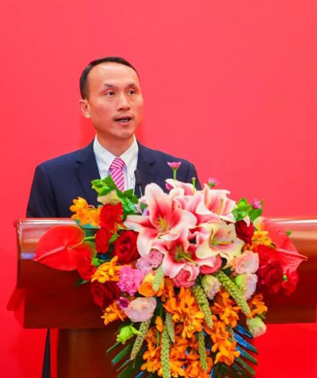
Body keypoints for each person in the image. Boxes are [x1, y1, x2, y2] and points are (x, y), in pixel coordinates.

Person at [26, 56, 199, 378]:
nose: (124, 103)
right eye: (110, 93)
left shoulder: (177, 173)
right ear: (85, 107)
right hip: (81, 343)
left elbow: (194, 255)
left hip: (163, 344)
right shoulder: (53, 175)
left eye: (132, 92)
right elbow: (40, 267)